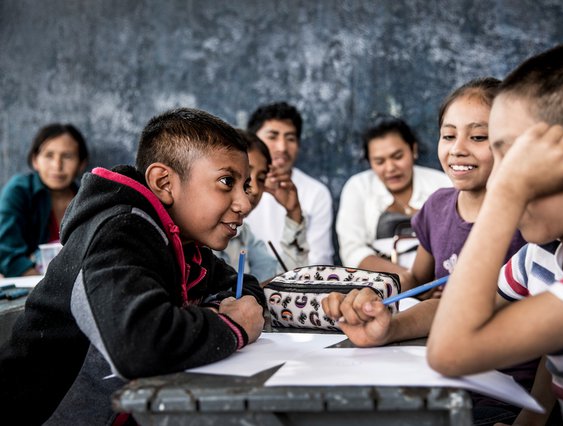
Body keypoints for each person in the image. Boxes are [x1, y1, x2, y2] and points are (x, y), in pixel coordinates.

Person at [0, 108, 266, 425]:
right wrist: (229, 327)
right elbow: (137, 345)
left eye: (245, 185)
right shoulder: (119, 233)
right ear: (164, 182)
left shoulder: (180, 244)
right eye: (226, 182)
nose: (245, 203)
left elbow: (242, 287)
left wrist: (229, 312)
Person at [427, 41, 563, 425]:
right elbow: (458, 310)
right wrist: (388, 326)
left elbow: (450, 350)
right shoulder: (540, 256)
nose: (500, 174)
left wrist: (505, 195)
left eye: (515, 156)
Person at [324, 79, 543, 425]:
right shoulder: (437, 207)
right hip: (441, 374)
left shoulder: (534, 223)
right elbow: (420, 285)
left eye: (478, 136)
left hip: (504, 390)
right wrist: (381, 313)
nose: (458, 149)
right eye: (448, 135)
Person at [336, 116, 450, 282]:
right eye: (379, 161)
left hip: (442, 285)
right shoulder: (358, 188)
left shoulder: (441, 183)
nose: (390, 168)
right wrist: (412, 281)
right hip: (382, 287)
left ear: (413, 150)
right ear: (370, 162)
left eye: (397, 156)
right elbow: (352, 251)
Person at [245, 101, 334, 265]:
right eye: (272, 136)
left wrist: (294, 212)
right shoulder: (235, 189)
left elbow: (318, 263)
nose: (282, 147)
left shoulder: (316, 192)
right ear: (253, 140)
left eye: (290, 138)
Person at [214, 129, 309, 282]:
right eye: (243, 176)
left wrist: (294, 213)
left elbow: (284, 283)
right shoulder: (196, 236)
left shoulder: (244, 234)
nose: (256, 190)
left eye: (261, 178)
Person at [0, 123, 88, 277]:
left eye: (67, 156)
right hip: (30, 288)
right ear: (35, 160)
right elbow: (7, 253)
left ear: (81, 163)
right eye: (49, 155)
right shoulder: (19, 192)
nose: (57, 165)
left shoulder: (88, 198)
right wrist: (44, 285)